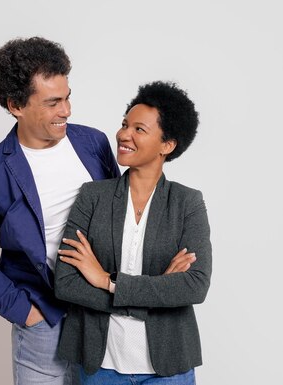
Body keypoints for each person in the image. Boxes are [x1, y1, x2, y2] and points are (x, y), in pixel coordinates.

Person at [0, 36, 120, 385]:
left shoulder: (93, 143)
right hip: (45, 320)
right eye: (53, 102)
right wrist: (26, 313)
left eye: (68, 97)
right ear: (16, 104)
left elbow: (119, 218)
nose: (67, 111)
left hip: (102, 313)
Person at [54, 81, 212, 384]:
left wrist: (106, 281)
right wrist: (158, 290)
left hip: (168, 368)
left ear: (167, 145)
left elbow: (194, 286)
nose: (123, 134)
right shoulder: (92, 196)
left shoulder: (187, 203)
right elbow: (66, 282)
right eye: (125, 124)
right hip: (100, 365)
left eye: (139, 129)